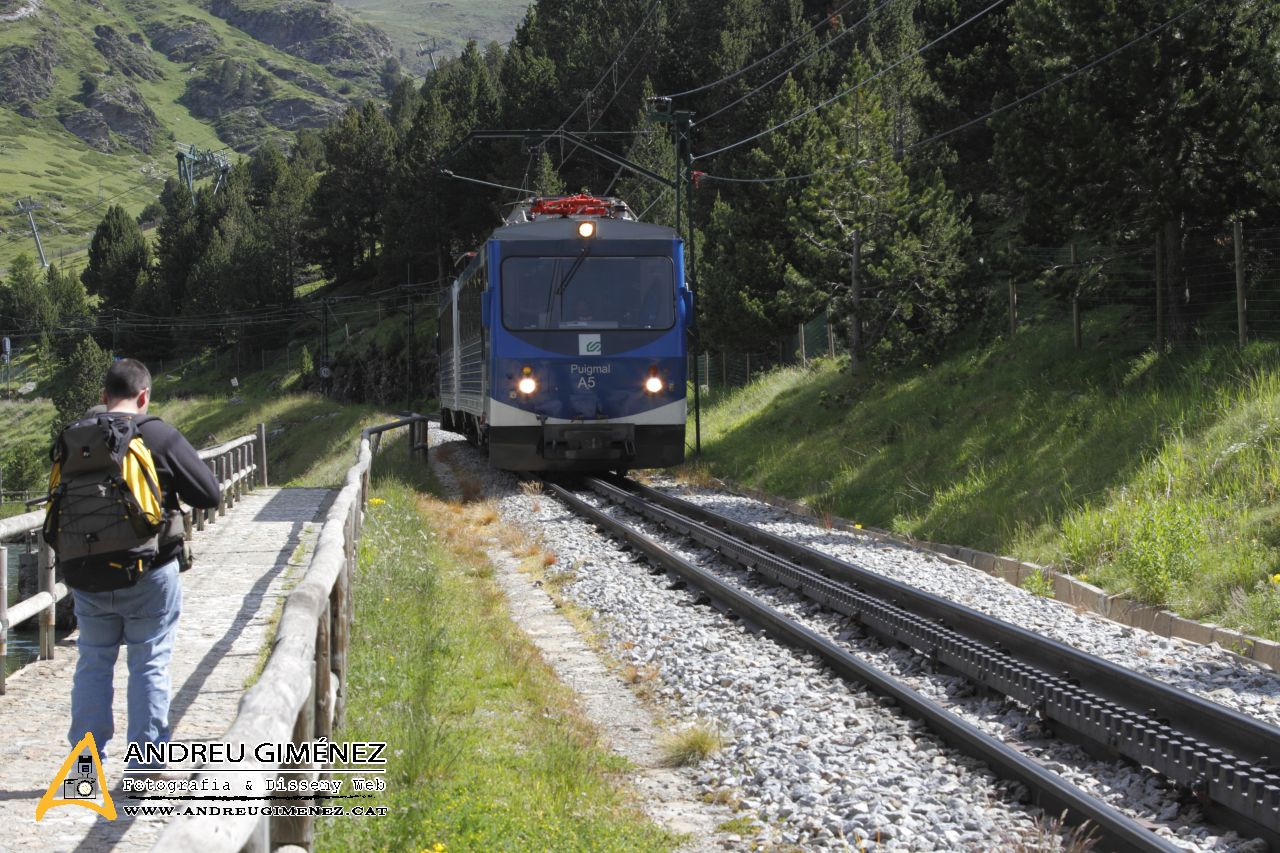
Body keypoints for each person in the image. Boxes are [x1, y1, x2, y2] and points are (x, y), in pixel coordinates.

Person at [66, 359, 220, 767]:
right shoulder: (157, 434)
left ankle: (85, 764)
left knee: (93, 664)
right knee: (149, 662)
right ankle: (146, 768)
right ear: (144, 395)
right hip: (149, 573)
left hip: (87, 574)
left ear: (103, 396)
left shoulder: (77, 435)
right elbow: (209, 495)